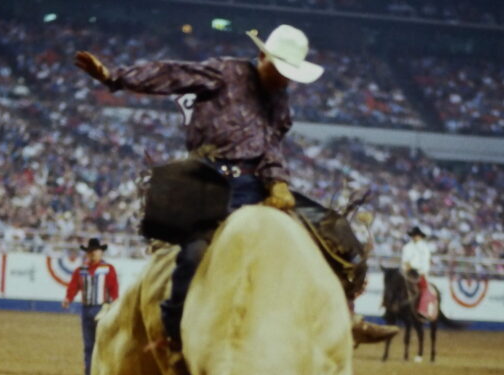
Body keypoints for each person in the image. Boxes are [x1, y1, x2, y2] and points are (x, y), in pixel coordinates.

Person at [74, 24, 395, 348]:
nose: (283, 79)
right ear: (262, 57)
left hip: (255, 182)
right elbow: (171, 74)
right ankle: (174, 330)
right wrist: (114, 77)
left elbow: (271, 145)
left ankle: (343, 317)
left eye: (288, 74)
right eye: (280, 70)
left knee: (334, 230)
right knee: (195, 252)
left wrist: (277, 182)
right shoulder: (225, 72)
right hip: (208, 178)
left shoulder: (279, 98)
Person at [62, 237, 119, 375]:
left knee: (103, 343)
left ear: (101, 252)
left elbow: (113, 287)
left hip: (102, 308)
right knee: (88, 344)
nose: (93, 253)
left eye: (95, 251)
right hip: (86, 308)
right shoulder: (81, 270)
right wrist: (68, 298)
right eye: (91, 251)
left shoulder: (108, 269)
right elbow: (74, 285)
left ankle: (103, 374)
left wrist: (115, 302)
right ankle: (89, 374)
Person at [400, 226, 436, 319]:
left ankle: (422, 309)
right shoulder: (407, 247)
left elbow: (425, 262)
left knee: (424, 288)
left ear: (420, 236)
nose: (415, 237)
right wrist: (406, 268)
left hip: (420, 272)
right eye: (414, 235)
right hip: (408, 272)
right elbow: (404, 261)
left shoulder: (425, 248)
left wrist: (420, 271)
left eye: (416, 235)